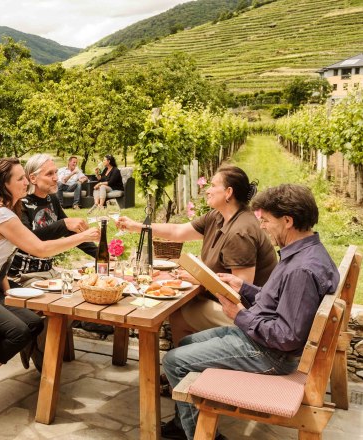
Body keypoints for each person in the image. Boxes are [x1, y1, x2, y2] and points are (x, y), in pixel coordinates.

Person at [162, 184, 339, 440]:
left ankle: (200, 435)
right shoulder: (305, 253)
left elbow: (287, 337)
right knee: (186, 344)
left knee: (174, 361)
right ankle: (187, 423)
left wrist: (239, 315)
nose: (263, 226)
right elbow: (282, 301)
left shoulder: (301, 270)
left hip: (271, 354)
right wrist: (243, 287)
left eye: (266, 220)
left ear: (287, 221)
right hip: (263, 340)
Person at [0, 158, 99, 407]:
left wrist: (7, 291)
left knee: (33, 322)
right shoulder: (1, 215)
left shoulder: (7, 209)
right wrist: (81, 236)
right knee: (17, 331)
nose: (26, 181)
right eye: (20, 179)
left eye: (25, 177)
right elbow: (40, 249)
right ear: (4, 184)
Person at [116, 166, 277, 345]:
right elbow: (177, 231)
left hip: (250, 316)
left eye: (213, 185)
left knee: (179, 312)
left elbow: (240, 289)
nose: (207, 190)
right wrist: (137, 226)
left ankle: (184, 360)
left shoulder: (240, 232)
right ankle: (187, 358)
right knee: (179, 307)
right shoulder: (217, 216)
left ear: (228, 192)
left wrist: (200, 278)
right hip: (228, 303)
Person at [7, 154, 99, 369]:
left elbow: (70, 233)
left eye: (56, 172)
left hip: (48, 272)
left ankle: (33, 345)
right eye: (50, 174)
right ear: (33, 178)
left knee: (79, 298)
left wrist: (101, 255)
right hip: (24, 276)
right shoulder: (20, 205)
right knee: (60, 305)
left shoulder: (52, 200)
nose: (56, 177)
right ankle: (44, 359)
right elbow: (29, 240)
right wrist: (64, 224)